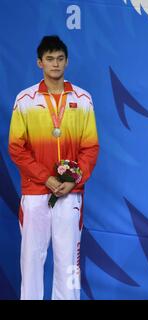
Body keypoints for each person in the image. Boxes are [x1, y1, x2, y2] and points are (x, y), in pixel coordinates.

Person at [8, 35, 99, 300]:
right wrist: (45, 178)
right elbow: (16, 147)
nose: (55, 64)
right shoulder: (25, 99)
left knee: (68, 261)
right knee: (31, 262)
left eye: (60, 58)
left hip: (70, 194)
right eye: (49, 59)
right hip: (36, 193)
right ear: (40, 63)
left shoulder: (83, 99)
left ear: (67, 61)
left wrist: (74, 180)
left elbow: (90, 147)